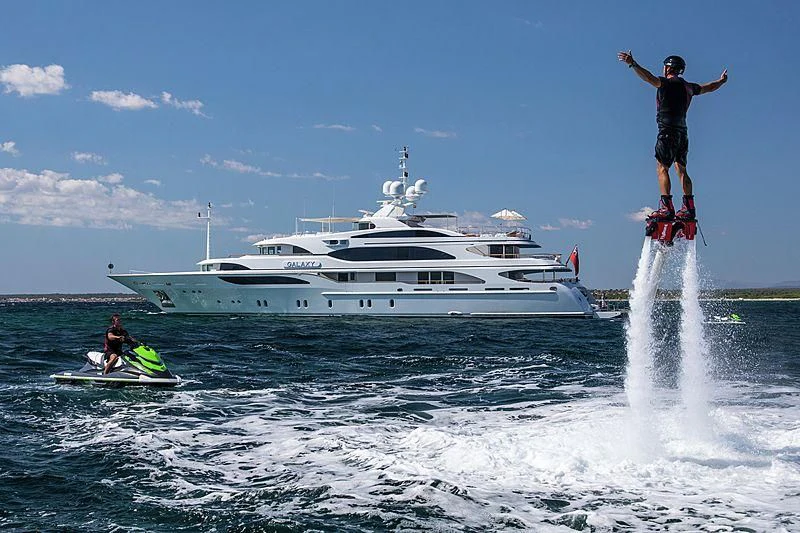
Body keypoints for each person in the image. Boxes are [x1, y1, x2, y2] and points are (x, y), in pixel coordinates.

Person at [617, 51, 728, 221]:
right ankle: (689, 208)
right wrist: (721, 81)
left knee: (662, 168)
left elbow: (648, 77)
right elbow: (709, 87)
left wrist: (633, 64)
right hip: (682, 132)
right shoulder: (689, 87)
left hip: (667, 131)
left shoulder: (664, 83)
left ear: (668, 68)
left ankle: (666, 208)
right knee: (681, 169)